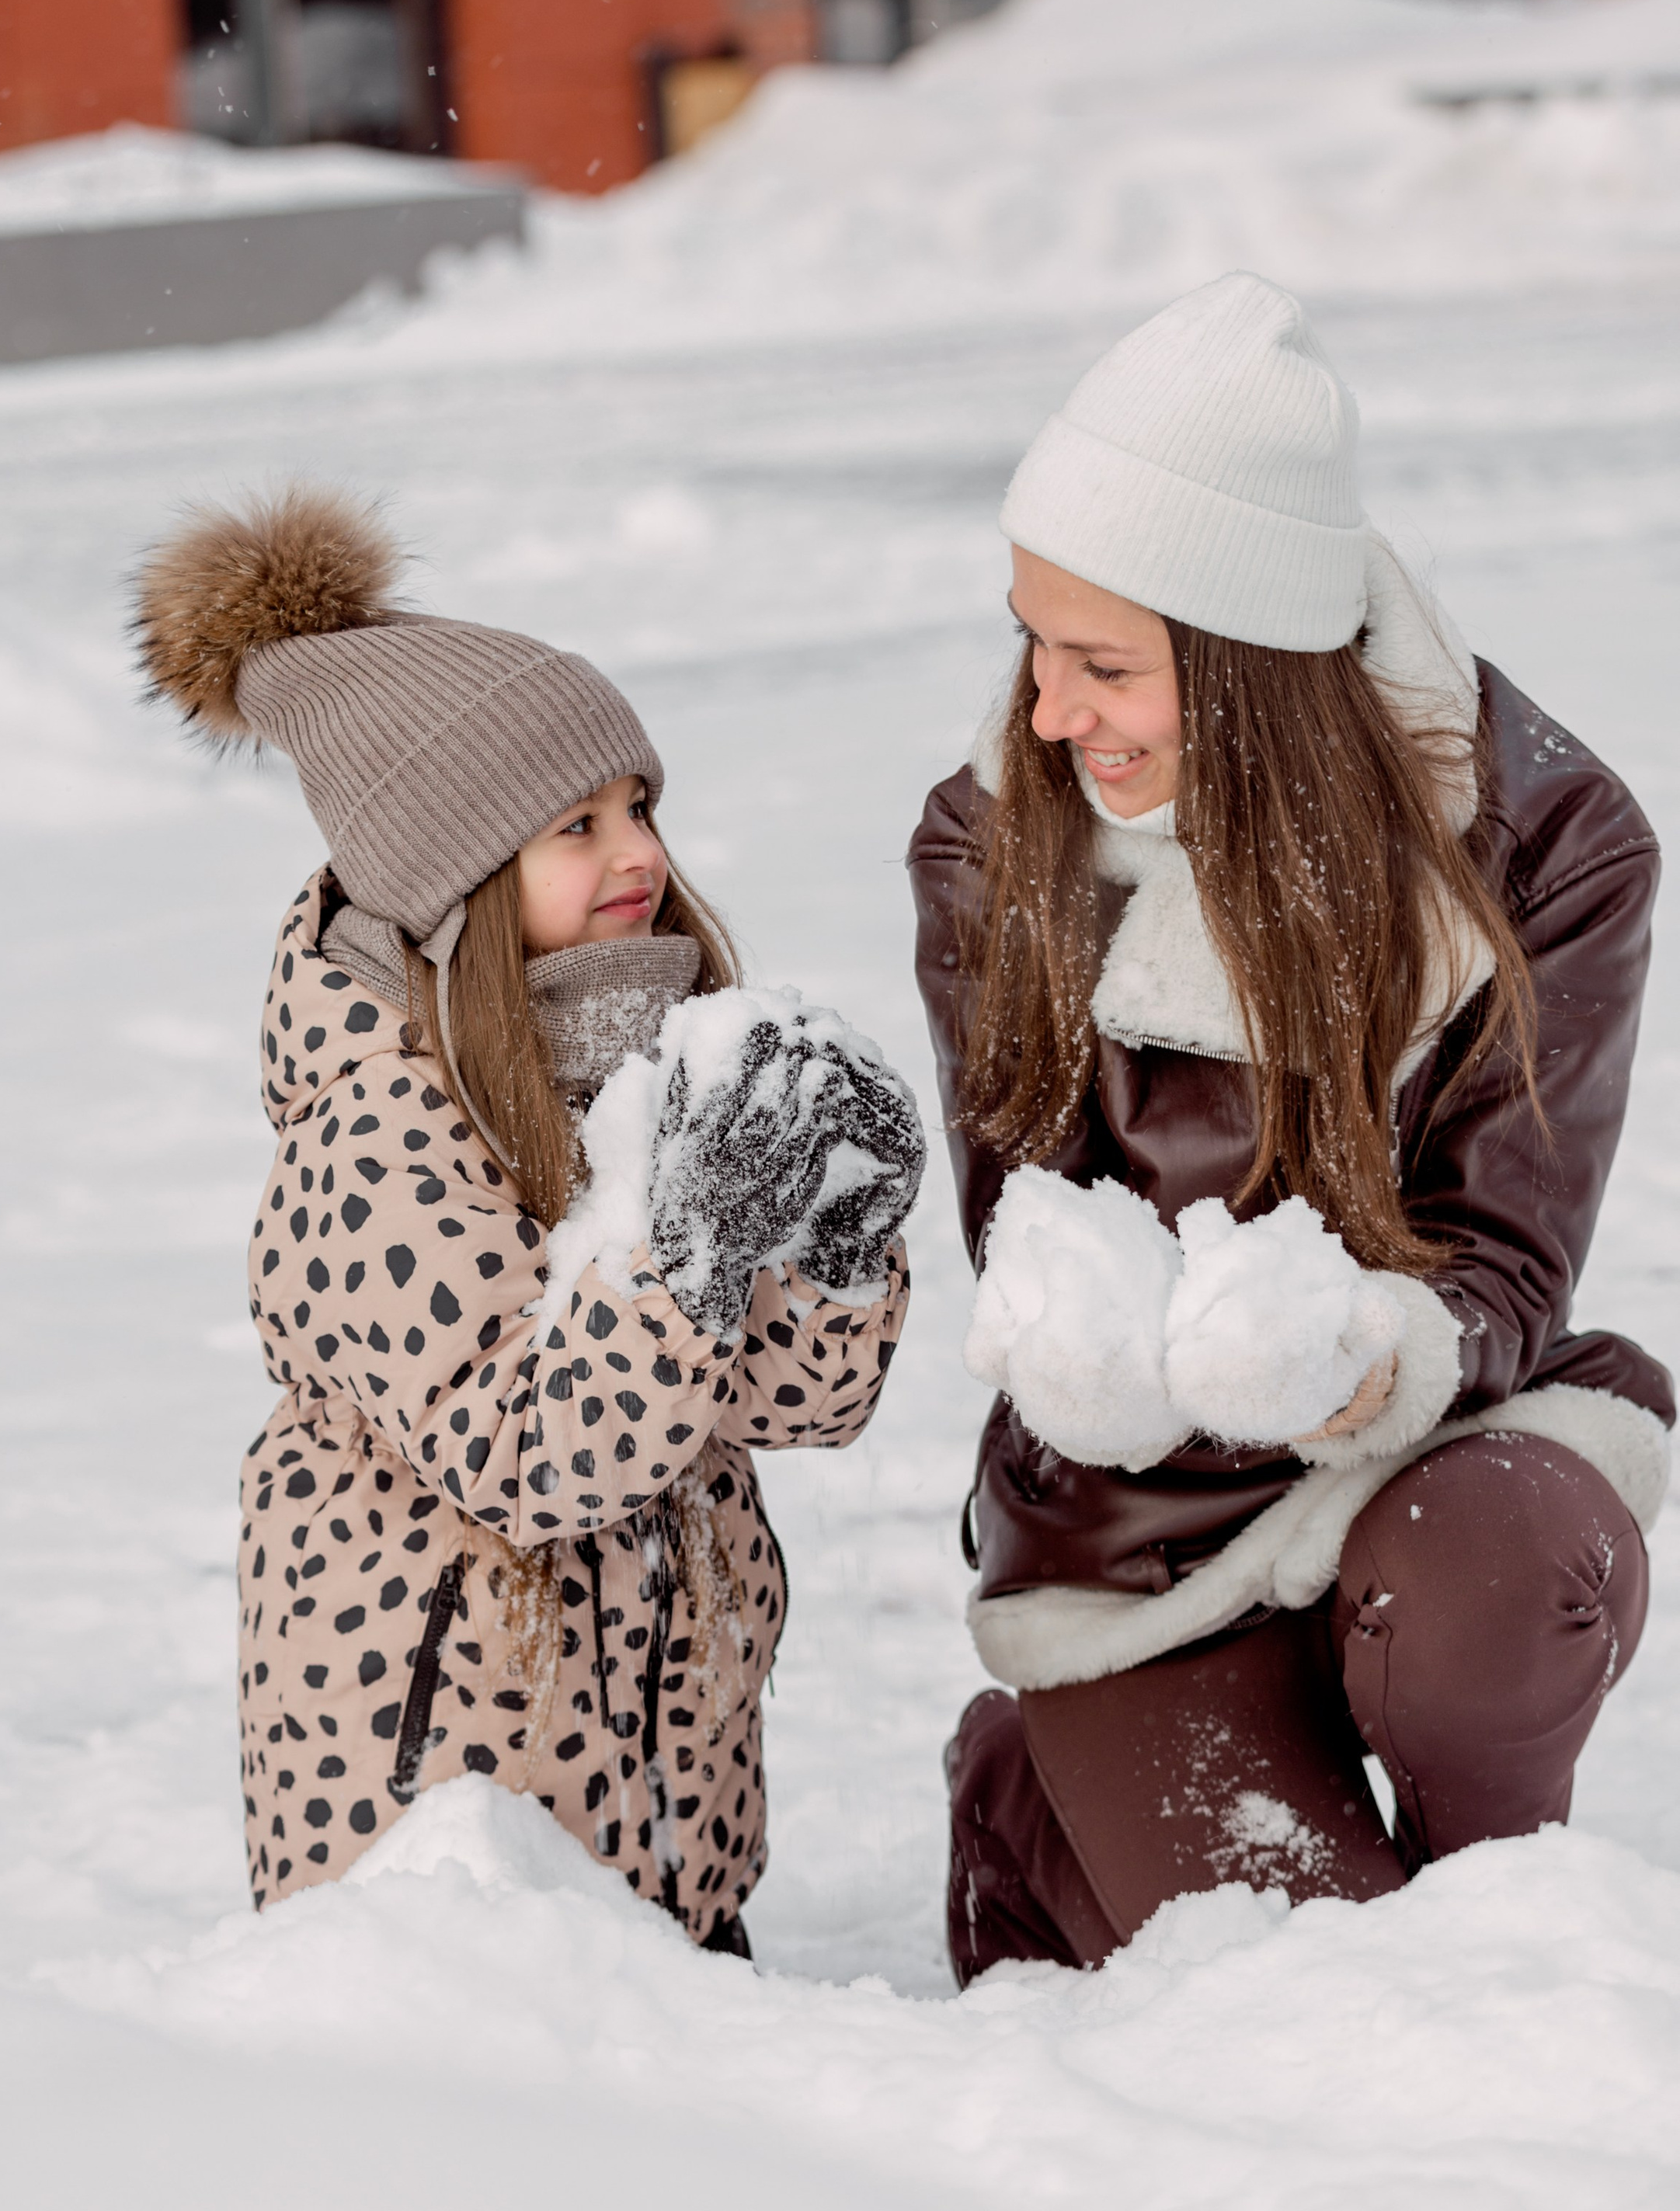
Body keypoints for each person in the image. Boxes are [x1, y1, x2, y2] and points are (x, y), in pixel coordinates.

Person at [910, 273, 1671, 1980]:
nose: (1042, 712)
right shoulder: (993, 842)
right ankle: (1029, 1803)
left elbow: (1498, 1254)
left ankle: (1499, 1916)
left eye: (1100, 663)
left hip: (1422, 1451)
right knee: (1294, 1993)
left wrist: (1362, 1353)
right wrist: (1088, 1336)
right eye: (1029, 640)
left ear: (1251, 664)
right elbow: (1025, 1222)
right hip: (1137, 1526)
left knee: (1500, 1593)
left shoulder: (1541, 844)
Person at [134, 483, 920, 1953]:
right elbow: (532, 1459)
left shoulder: (627, 1057)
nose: (640, 856)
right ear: (457, 875)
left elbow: (789, 1405)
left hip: (665, 1846)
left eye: (642, 807)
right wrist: (691, 1249)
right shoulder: (372, 1138)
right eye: (578, 824)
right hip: (447, 1885)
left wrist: (833, 1243)